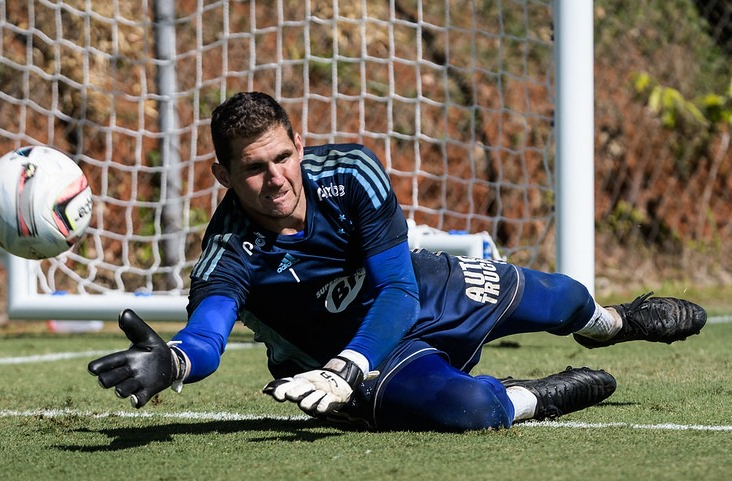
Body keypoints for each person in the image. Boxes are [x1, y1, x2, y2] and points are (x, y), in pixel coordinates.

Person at [87, 91, 708, 431]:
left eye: (282, 157)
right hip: (362, 358)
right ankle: (537, 398)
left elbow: (398, 290)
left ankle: (618, 324)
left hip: (418, 294)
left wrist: (345, 369)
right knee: (467, 410)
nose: (276, 179)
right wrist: (173, 360)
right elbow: (209, 333)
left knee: (566, 298)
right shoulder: (230, 250)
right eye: (253, 167)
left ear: (300, 145)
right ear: (222, 173)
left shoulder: (351, 172)